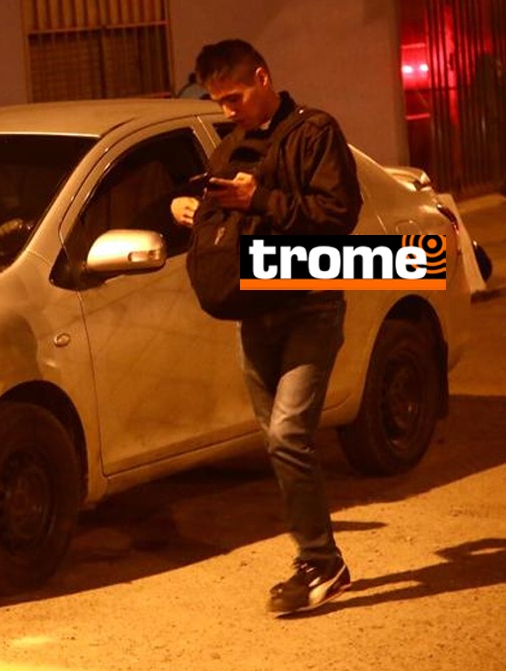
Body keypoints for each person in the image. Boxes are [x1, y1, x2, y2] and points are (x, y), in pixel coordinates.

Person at [171, 39, 362, 616]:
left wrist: (261, 199)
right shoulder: (230, 146)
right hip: (253, 311)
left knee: (287, 435)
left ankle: (319, 562)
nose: (227, 110)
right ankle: (322, 559)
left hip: (310, 303)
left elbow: (337, 217)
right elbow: (223, 217)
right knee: (278, 443)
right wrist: (188, 208)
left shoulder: (314, 132)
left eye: (234, 97)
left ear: (262, 77)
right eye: (217, 101)